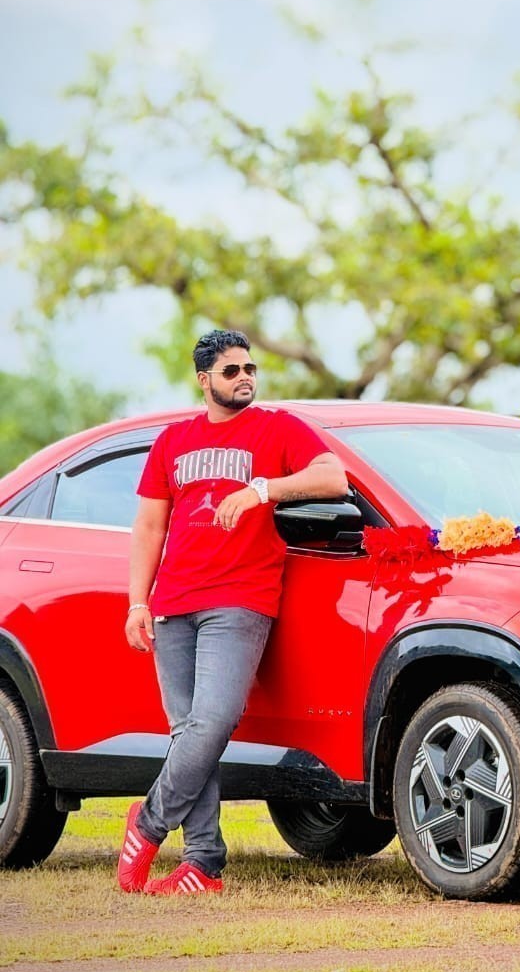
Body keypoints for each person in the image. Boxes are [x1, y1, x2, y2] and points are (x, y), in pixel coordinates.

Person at [117, 329, 349, 895]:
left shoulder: (278, 428)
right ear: (205, 380)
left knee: (214, 722)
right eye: (231, 371)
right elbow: (149, 526)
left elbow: (333, 478)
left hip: (240, 600)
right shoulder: (173, 440)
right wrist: (138, 602)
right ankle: (203, 862)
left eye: (250, 369)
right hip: (173, 603)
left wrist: (261, 490)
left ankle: (147, 823)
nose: (244, 377)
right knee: (187, 733)